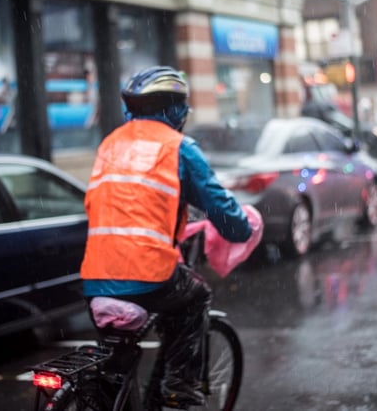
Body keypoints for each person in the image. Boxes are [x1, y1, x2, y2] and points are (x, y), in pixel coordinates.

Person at [80, 66, 253, 410]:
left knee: (116, 368)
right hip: (148, 274)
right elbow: (222, 211)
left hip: (95, 277)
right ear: (174, 110)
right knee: (195, 296)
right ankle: (178, 390)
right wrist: (243, 228)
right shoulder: (178, 148)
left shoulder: (110, 145)